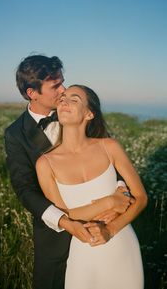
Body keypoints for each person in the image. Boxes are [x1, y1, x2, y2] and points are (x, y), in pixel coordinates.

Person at [4, 55, 131, 289]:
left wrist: (119, 191)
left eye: (63, 82)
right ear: (32, 93)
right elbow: (25, 190)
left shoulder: (76, 111)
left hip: (104, 226)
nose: (63, 91)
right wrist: (64, 221)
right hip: (55, 236)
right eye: (55, 86)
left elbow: (108, 156)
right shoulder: (15, 135)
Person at [36, 84, 148, 289]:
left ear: (89, 114)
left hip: (122, 244)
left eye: (74, 99)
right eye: (62, 98)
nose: (63, 101)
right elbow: (65, 217)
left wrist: (111, 229)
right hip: (83, 249)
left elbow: (141, 198)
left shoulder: (110, 147)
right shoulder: (45, 163)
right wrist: (110, 202)